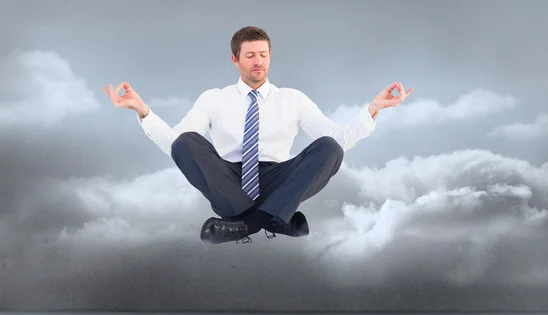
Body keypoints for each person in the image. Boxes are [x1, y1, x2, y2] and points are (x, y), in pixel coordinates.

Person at [102, 26, 413, 245]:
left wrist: (373, 110)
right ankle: (278, 221)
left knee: (330, 147)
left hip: (279, 179)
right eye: (250, 55)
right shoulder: (214, 98)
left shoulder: (293, 99)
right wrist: (143, 111)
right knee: (185, 143)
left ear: (270, 56)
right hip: (229, 182)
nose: (258, 61)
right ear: (235, 60)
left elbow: (339, 139)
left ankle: (245, 225)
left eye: (263, 54)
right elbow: (177, 147)